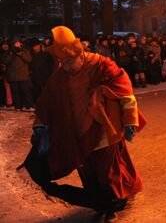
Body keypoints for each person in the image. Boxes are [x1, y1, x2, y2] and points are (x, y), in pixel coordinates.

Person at [19, 26, 146, 221]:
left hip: (104, 132)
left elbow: (123, 89)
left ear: (80, 54)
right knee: (89, 175)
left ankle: (113, 205)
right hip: (77, 135)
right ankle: (102, 204)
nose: (66, 66)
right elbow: (46, 102)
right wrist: (40, 125)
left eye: (69, 61)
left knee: (109, 174)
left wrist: (129, 120)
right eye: (62, 62)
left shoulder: (101, 64)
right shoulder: (59, 76)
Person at [4, 40, 33, 110]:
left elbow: (29, 60)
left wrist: (21, 53)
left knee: (25, 92)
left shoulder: (25, 51)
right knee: (15, 92)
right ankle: (17, 106)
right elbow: (5, 61)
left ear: (20, 44)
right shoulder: (9, 52)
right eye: (15, 44)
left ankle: (28, 106)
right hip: (13, 76)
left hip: (23, 76)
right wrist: (11, 54)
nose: (16, 45)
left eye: (18, 43)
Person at [29, 39, 55, 105]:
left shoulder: (45, 54)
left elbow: (51, 64)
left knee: (45, 91)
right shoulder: (31, 55)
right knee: (36, 91)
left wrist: (49, 73)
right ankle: (38, 103)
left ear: (40, 46)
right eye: (34, 46)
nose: (36, 47)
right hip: (35, 76)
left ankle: (46, 103)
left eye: (37, 46)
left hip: (45, 76)